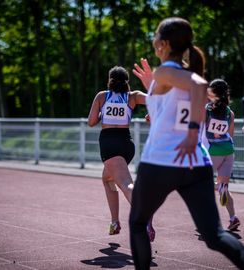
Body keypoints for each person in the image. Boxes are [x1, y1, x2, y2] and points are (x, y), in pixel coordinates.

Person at [129, 17, 244, 269]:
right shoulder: (174, 75)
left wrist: (193, 132)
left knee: (138, 224)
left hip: (161, 162)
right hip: (196, 164)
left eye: (154, 36)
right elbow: (172, 111)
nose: (153, 42)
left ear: (163, 43)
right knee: (215, 236)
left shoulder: (167, 72)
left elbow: (200, 86)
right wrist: (152, 88)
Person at [88, 66, 155, 242]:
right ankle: (115, 222)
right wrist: (151, 114)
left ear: (109, 80)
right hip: (126, 144)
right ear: (127, 81)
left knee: (125, 184)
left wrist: (105, 113)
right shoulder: (133, 96)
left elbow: (91, 122)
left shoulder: (102, 96)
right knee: (107, 179)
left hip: (110, 144)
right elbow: (158, 100)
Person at [205, 79, 240, 230]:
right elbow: (230, 134)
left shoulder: (207, 109)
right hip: (229, 151)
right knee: (224, 186)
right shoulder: (229, 112)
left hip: (214, 152)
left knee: (201, 184)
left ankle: (209, 220)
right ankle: (233, 218)